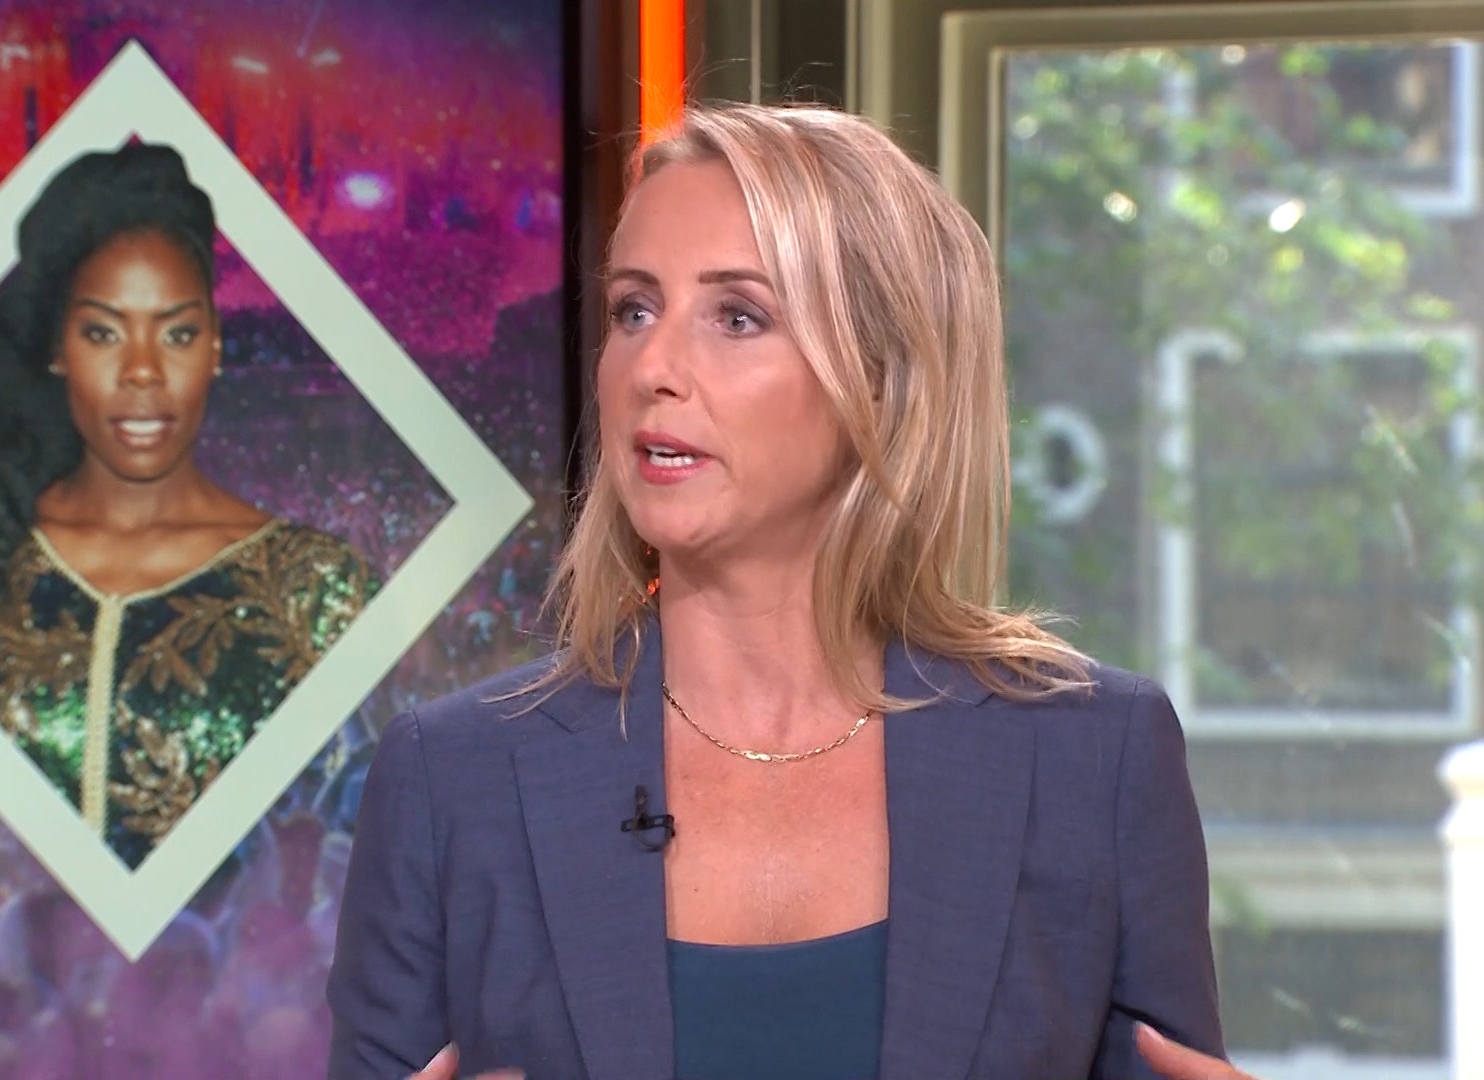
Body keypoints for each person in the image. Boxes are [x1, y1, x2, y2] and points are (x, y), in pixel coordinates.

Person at [326, 103, 1259, 1080]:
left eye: (738, 317)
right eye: (634, 310)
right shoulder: (451, 781)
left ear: (882, 379)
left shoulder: (1092, 761)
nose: (652, 368)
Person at [0, 142, 376, 871]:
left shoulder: (318, 587)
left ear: (215, 346)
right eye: (103, 333)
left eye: (177, 333)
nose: (142, 371)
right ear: (58, 347)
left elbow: (358, 848)